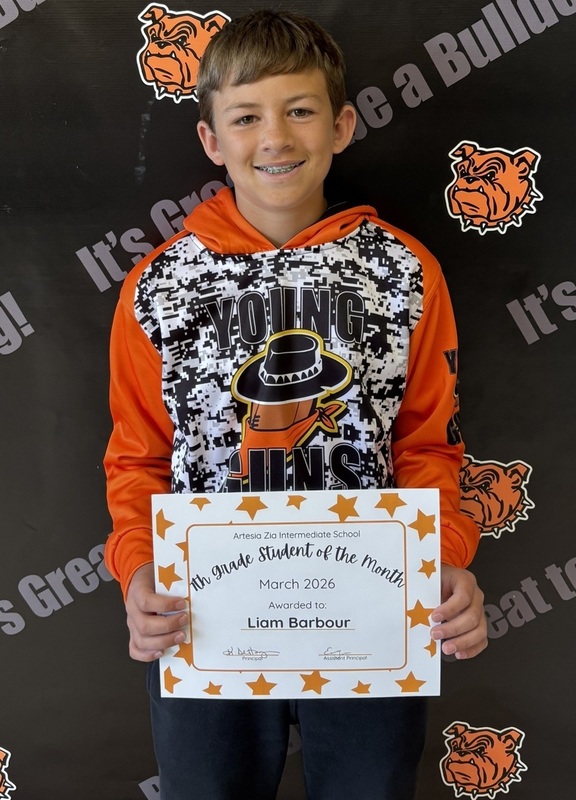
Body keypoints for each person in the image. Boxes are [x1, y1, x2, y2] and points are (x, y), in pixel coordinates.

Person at [104, 9, 487, 800]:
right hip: (205, 615)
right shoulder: (158, 288)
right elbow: (137, 456)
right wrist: (138, 569)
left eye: (300, 110)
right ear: (212, 140)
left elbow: (429, 444)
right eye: (246, 117)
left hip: (370, 611)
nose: (274, 137)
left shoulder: (406, 273)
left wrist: (443, 556)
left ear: (341, 124)